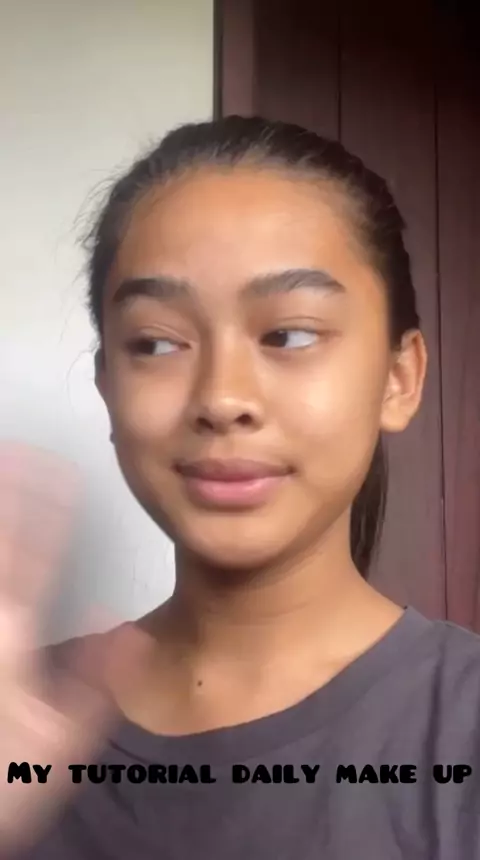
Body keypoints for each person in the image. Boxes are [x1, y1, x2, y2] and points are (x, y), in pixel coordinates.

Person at [2, 115, 480, 859]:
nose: (222, 398)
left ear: (399, 377)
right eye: (156, 343)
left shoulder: (462, 724)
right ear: (108, 387)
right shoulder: (24, 715)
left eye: (288, 335)